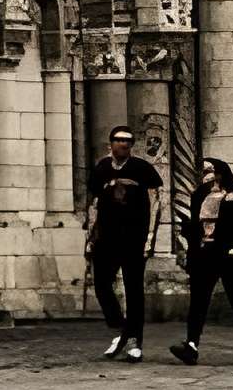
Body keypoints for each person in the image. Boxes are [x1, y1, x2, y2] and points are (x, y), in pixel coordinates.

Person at [171, 155, 233, 365]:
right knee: (198, 301)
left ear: (219, 173)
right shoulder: (200, 194)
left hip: (230, 256)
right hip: (204, 253)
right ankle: (191, 345)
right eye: (202, 172)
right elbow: (194, 222)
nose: (204, 176)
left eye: (208, 171)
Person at [88, 124, 162, 361]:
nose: (124, 144)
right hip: (106, 237)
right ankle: (121, 328)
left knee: (133, 289)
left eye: (128, 140)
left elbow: (157, 202)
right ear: (111, 143)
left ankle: (134, 340)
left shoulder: (142, 168)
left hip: (133, 237)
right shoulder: (101, 168)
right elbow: (93, 203)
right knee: (101, 284)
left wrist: (150, 238)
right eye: (120, 140)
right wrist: (89, 236)